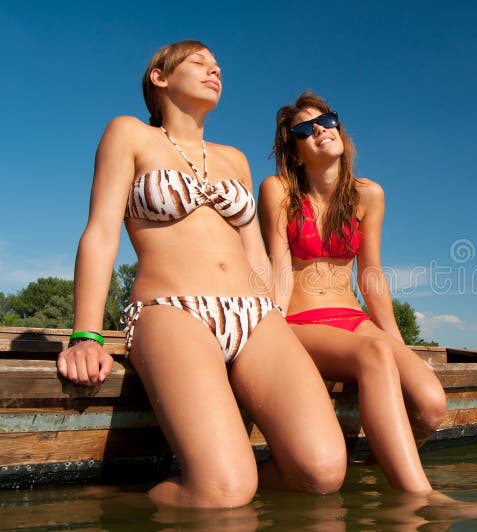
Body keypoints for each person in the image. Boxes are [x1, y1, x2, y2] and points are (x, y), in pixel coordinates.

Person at [57, 42, 347, 509]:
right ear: (159, 77)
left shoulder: (234, 158)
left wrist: (275, 319)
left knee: (322, 473)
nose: (214, 69)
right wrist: (86, 333)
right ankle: (113, 507)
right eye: (198, 62)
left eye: (217, 66)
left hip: (253, 315)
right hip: (172, 311)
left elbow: (256, 254)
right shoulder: (129, 134)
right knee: (224, 490)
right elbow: (100, 234)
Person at [258, 91, 449, 494]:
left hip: (354, 321)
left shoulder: (369, 194)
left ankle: (374, 471)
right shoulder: (278, 190)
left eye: (326, 121)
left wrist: (397, 342)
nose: (320, 131)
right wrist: (270, 333)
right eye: (304, 129)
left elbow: (371, 274)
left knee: (431, 406)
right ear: (294, 151)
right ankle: (421, 498)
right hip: (300, 322)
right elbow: (277, 265)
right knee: (375, 354)